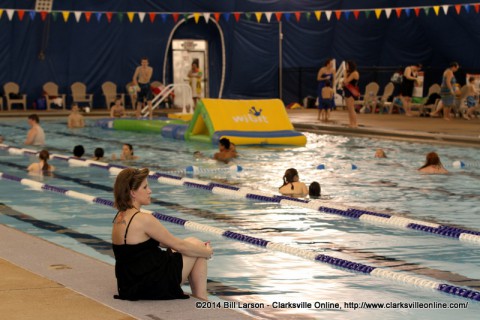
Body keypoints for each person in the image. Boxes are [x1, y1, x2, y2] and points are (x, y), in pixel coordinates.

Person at [112, 168, 213, 301]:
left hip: (129, 285)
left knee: (192, 244)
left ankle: (201, 298)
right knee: (196, 246)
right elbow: (180, 246)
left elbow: (153, 244)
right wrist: (207, 252)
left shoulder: (119, 216)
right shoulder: (143, 219)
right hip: (153, 284)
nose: (150, 191)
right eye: (145, 187)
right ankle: (202, 298)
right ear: (133, 193)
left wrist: (193, 248)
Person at [343, 60, 360, 128]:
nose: (346, 67)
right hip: (348, 91)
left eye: (347, 65)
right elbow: (345, 82)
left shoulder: (354, 73)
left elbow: (346, 81)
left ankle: (355, 123)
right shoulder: (350, 73)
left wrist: (344, 74)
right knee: (349, 109)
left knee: (351, 108)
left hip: (352, 91)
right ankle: (351, 123)